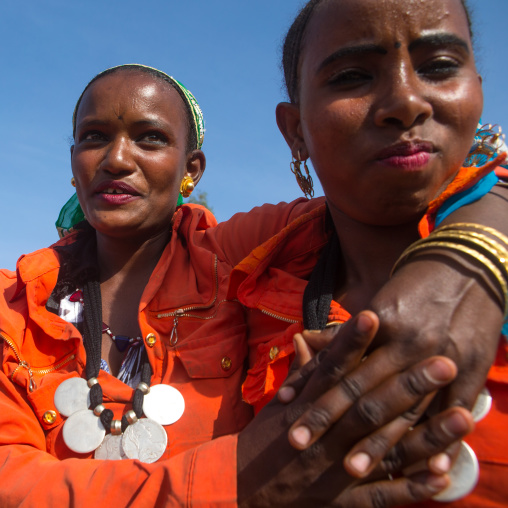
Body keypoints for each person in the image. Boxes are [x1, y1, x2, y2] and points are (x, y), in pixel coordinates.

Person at [0, 49, 504, 508]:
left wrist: (470, 259)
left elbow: (443, 187)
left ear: (190, 169)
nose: (116, 160)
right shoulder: (15, 304)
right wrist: (241, 483)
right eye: (94, 138)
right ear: (73, 164)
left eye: (150, 138)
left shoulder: (236, 253)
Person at [230, 0, 508, 506]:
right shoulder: (258, 273)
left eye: (440, 67)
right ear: (295, 130)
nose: (406, 101)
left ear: (479, 90)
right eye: (353, 76)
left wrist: (479, 250)